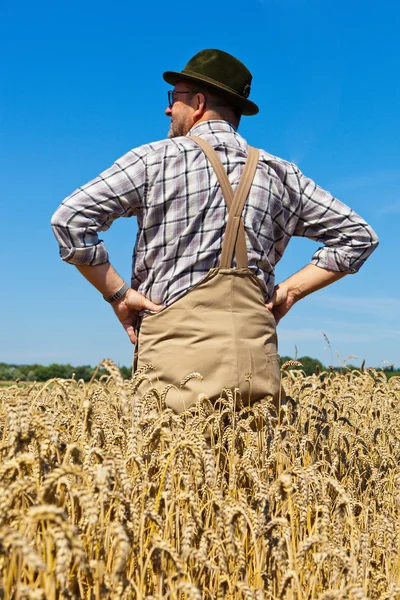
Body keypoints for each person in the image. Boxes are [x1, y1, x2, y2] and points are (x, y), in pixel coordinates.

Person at [51, 49, 379, 412]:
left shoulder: (154, 159)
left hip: (172, 361)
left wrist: (117, 294)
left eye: (173, 98)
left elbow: (70, 219)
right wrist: (289, 291)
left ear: (198, 102)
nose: (167, 109)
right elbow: (359, 237)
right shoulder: (283, 173)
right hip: (257, 361)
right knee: (255, 462)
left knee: (167, 467)